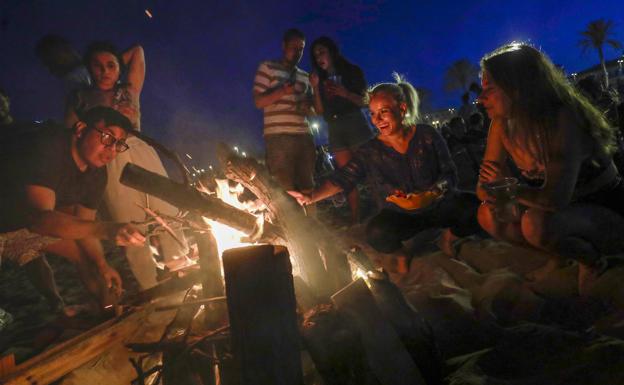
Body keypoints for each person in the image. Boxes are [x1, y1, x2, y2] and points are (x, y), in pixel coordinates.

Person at [289, 75, 481, 274]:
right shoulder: (371, 151)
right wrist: (311, 197)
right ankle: (401, 254)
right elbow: (344, 177)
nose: (376, 120)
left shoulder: (427, 135)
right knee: (377, 233)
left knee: (475, 207)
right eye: (372, 114)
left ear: (402, 109)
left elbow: (450, 172)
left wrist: (437, 189)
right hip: (401, 216)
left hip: (438, 205)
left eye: (384, 112)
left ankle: (447, 238)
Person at [476, 43, 624, 293]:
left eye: (489, 89)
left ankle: (592, 262)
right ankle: (559, 256)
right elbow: (483, 189)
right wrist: (500, 191)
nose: (481, 99)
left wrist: (508, 187)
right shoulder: (502, 125)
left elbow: (554, 199)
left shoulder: (562, 119)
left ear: (517, 88)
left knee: (535, 223)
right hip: (562, 212)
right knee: (488, 215)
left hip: (605, 207)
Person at [65, 41, 189, 290]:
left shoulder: (129, 89)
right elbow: (70, 132)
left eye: (110, 66)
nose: (105, 71)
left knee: (167, 211)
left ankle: (182, 271)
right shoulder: (81, 97)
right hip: (107, 159)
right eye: (97, 66)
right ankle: (150, 285)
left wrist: (117, 62)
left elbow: (139, 51)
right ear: (88, 69)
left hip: (139, 147)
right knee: (128, 223)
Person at [0, 106, 145, 312]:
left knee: (89, 259)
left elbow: (85, 226)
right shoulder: (49, 147)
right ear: (80, 129)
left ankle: (110, 316)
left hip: (23, 228)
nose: (112, 151)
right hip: (11, 218)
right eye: (107, 138)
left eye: (119, 144)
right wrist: (107, 229)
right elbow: (42, 220)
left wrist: (102, 264)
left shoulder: (96, 173)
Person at [309, 36, 375, 223]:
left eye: (322, 52)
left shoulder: (351, 71)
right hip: (335, 127)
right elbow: (320, 111)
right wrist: (314, 88)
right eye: (315, 55)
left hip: (355, 122)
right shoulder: (320, 81)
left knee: (370, 169)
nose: (319, 57)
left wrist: (344, 93)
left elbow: (364, 101)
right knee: (347, 176)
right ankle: (356, 217)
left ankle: (384, 208)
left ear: (331, 52)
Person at [253, 28, 317, 214]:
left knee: (308, 185)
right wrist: (282, 92)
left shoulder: (305, 77)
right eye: (293, 47)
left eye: (301, 49)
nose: (297, 52)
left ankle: (314, 228)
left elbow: (313, 110)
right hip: (278, 137)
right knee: (283, 188)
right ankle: (292, 230)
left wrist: (307, 107)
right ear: (283, 46)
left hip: (304, 136)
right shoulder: (267, 68)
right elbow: (258, 102)